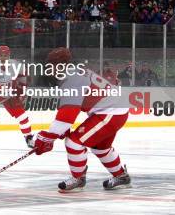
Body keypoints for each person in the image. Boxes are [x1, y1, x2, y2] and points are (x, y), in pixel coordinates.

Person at [33, 47, 131, 192]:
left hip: (110, 112)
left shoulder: (71, 79)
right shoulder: (76, 72)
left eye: (51, 65)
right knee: (101, 148)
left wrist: (48, 137)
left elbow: (67, 115)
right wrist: (59, 131)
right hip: (114, 110)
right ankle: (121, 176)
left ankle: (78, 178)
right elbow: (72, 110)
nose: (49, 69)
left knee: (74, 142)